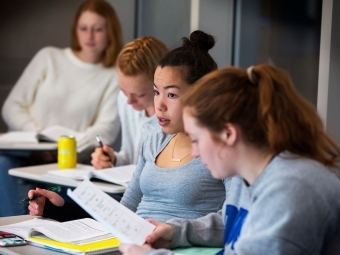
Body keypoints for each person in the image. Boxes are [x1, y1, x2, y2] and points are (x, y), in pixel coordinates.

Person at [118, 64, 340, 255]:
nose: (194, 152)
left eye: (196, 139)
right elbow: (229, 222)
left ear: (228, 134)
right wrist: (176, 232)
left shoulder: (290, 191)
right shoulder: (252, 176)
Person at [28, 30, 236, 224]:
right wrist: (60, 209)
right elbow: (123, 210)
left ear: (201, 95)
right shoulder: (155, 142)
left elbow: (232, 220)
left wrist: (174, 233)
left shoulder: (225, 148)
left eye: (171, 94)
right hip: (134, 242)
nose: (159, 105)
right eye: (156, 92)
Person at [0, 0, 122, 217]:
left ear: (110, 31)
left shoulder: (113, 74)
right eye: (83, 28)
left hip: (69, 161)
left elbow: (106, 129)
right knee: (2, 165)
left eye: (98, 29)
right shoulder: (49, 57)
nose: (89, 36)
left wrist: (63, 147)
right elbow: (12, 107)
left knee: (64, 197)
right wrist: (41, 138)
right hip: (27, 152)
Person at [91, 36, 168, 168]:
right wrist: (113, 160)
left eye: (140, 94)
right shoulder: (123, 99)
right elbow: (131, 158)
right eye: (124, 91)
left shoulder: (173, 114)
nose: (129, 101)